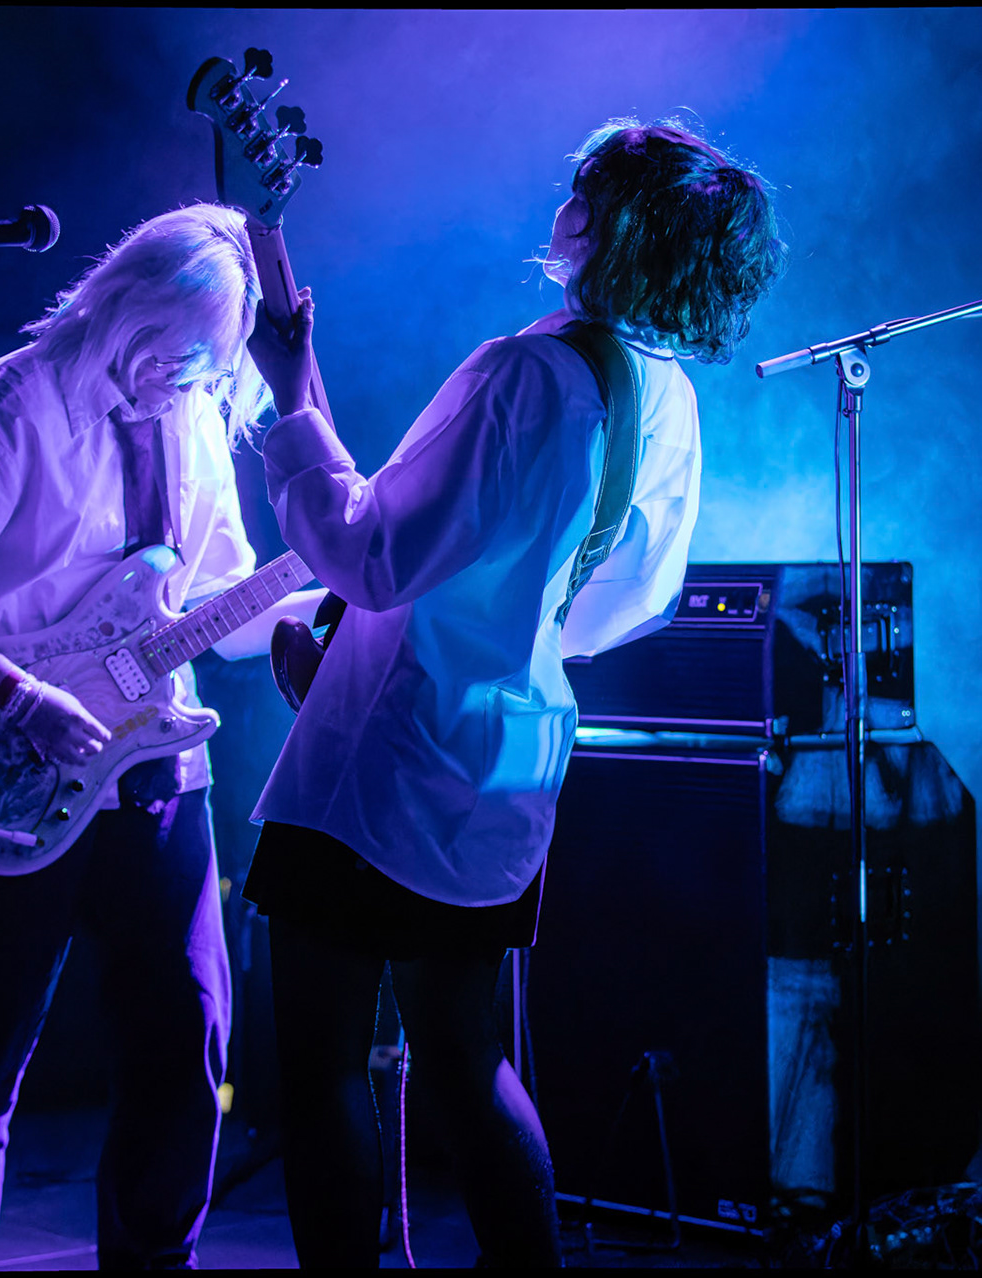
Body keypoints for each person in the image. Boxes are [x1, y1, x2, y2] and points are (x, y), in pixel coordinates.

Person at [241, 119, 785, 1268]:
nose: (563, 199)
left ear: (612, 222)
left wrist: (290, 398)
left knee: (326, 1066)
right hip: (505, 765)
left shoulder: (524, 373)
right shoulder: (663, 393)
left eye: (583, 186)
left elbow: (371, 557)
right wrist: (504, 628)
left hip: (384, 766)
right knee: (465, 1059)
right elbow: (631, 602)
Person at [0, 203, 319, 1271]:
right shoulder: (11, 403)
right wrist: (20, 696)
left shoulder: (197, 413)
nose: (188, 374)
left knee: (188, 1044)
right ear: (126, 302)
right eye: (175, 348)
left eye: (208, 359)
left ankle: (157, 1260)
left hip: (158, 771)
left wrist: (317, 594)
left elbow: (216, 605)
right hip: (0, 763)